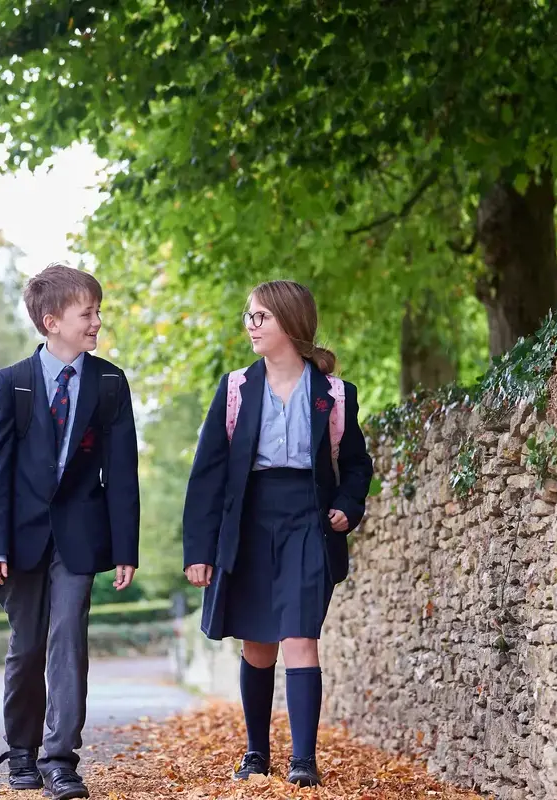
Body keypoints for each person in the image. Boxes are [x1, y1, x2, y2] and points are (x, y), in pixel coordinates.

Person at [182, 279, 374, 788]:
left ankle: (304, 761)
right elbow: (207, 474)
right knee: (258, 644)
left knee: (300, 636)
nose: (251, 324)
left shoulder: (334, 395)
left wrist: (347, 506)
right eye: (249, 316)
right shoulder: (235, 390)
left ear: (289, 322)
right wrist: (200, 550)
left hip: (308, 522)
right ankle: (256, 753)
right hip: (248, 520)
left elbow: (356, 465)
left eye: (260, 316)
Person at [0, 263, 140, 800]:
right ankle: (20, 752)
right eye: (86, 314)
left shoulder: (111, 383)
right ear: (52, 322)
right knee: (26, 646)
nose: (96, 322)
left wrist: (124, 547)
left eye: (96, 312)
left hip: (78, 536)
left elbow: (122, 472)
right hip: (19, 538)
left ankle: (60, 759)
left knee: (68, 638)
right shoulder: (13, 382)